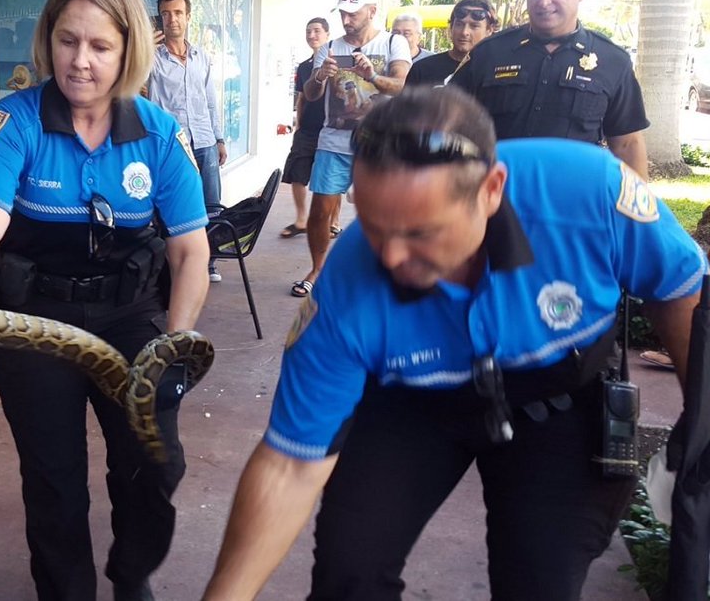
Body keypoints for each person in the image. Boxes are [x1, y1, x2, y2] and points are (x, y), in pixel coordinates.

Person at [202, 86, 705, 600]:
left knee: (541, 584)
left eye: (421, 233)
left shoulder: (589, 190)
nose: (392, 259)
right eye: (375, 228)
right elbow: (289, 464)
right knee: (348, 575)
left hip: (559, 399)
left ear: (491, 190)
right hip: (409, 405)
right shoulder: (348, 284)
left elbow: (681, 291)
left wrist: (701, 432)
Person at [0, 0, 210, 601]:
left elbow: (188, 252)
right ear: (48, 39)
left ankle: (132, 578)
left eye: (100, 46)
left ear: (128, 50)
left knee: (153, 464)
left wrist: (176, 344)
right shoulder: (13, 120)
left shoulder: (155, 132)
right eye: (68, 41)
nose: (80, 62)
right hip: (33, 320)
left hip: (130, 317)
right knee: (54, 476)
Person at [450, 0, 649, 178]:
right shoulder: (490, 53)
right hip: (497, 198)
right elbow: (449, 121)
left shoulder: (613, 61)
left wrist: (637, 210)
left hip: (573, 199)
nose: (543, 1)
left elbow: (627, 144)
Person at [290, 0, 410, 298]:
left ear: (372, 11)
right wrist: (319, 76)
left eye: (353, 13)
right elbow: (313, 96)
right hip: (335, 140)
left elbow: (400, 86)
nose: (346, 20)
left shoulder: (393, 43)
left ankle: (378, 271)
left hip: (380, 144)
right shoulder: (328, 47)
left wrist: (372, 76)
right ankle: (318, 269)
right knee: (320, 211)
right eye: (342, 13)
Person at [145, 0, 227, 283]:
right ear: (160, 18)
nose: (172, 19)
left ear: (188, 17)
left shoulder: (200, 57)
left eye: (178, 13)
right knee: (173, 206)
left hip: (204, 140)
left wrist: (219, 138)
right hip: (171, 145)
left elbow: (210, 100)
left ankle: (210, 262)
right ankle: (172, 265)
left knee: (210, 204)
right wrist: (141, 49)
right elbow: (133, 88)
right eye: (165, 13)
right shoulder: (151, 58)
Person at [279, 17, 335, 239]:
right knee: (296, 173)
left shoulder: (336, 63)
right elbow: (302, 97)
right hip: (307, 130)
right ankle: (301, 220)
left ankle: (332, 222)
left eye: (317, 31)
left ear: (327, 35)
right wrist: (298, 123)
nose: (312, 35)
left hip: (331, 129)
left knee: (330, 177)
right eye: (308, 31)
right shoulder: (303, 67)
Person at [406, 0, 498, 87]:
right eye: (459, 24)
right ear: (451, 27)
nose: (464, 32)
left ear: (489, 30)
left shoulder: (495, 73)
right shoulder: (422, 69)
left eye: (474, 26)